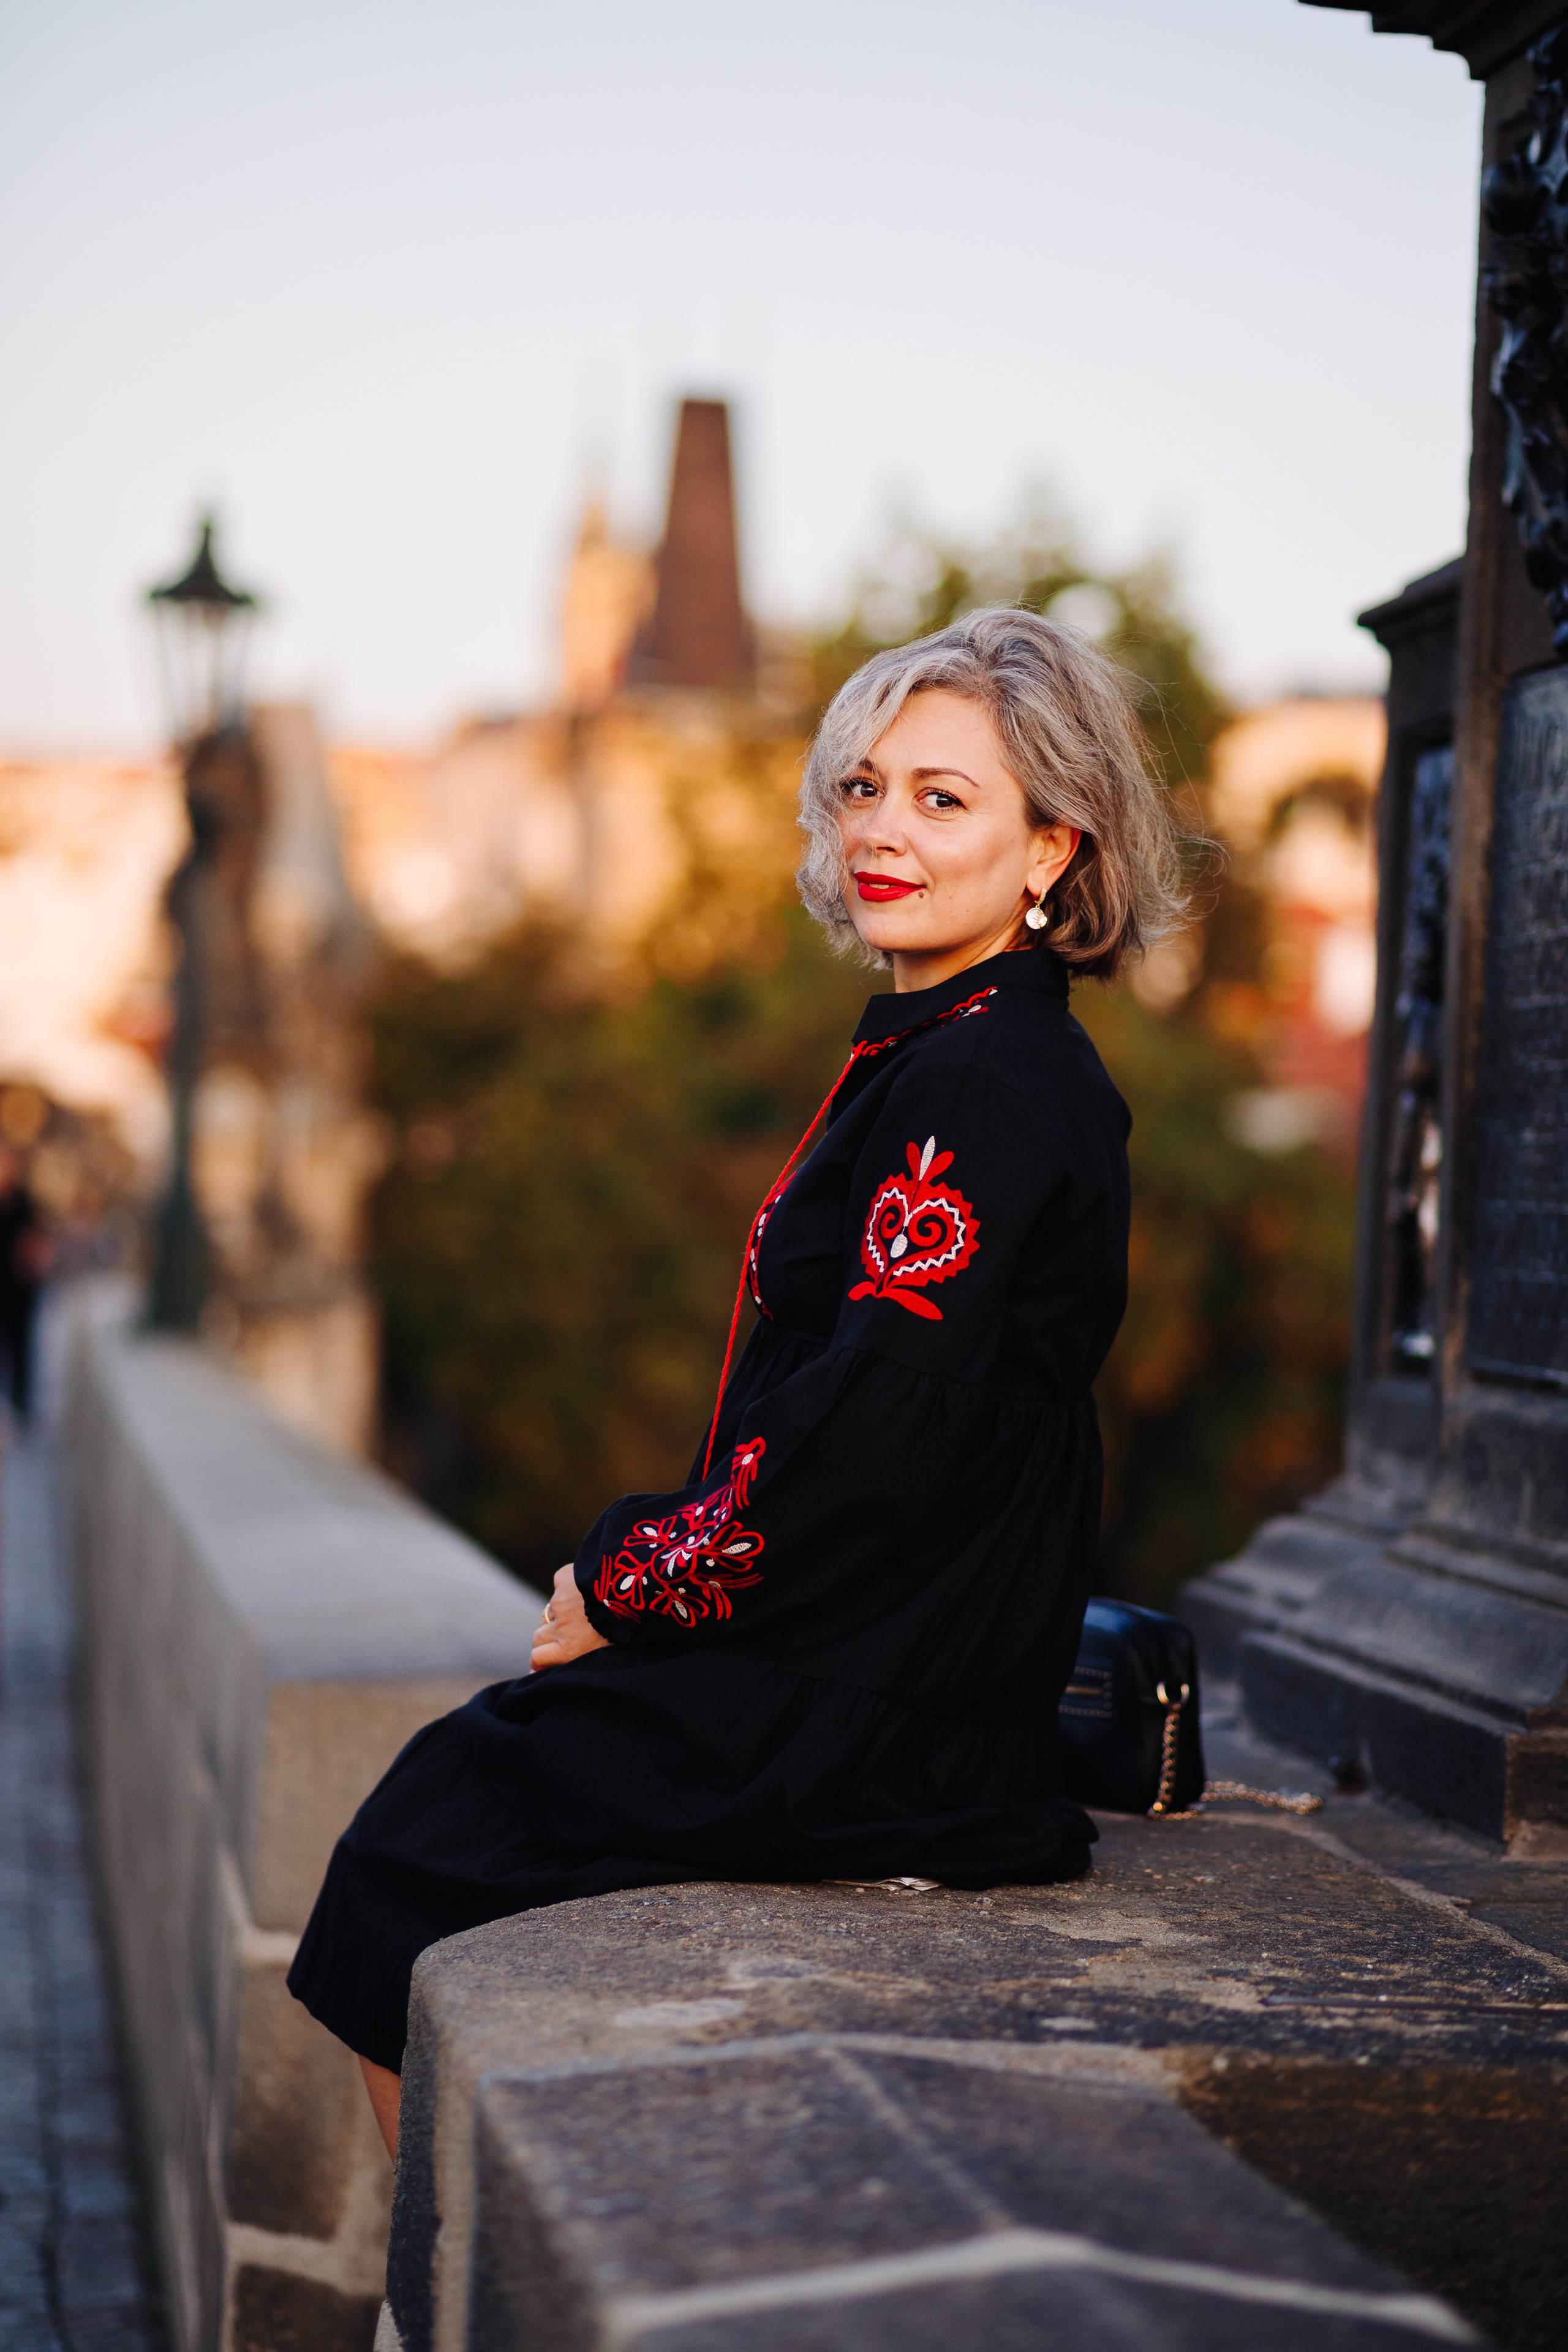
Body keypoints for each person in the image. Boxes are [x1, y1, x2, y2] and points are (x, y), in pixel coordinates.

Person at [288, 608, 1185, 2161]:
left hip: (894, 1696)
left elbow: (880, 1415)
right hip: (890, 1639)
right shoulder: (949, 1045)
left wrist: (636, 1580)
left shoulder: (980, 1073)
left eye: (941, 798)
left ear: (1052, 848)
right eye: (861, 787)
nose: (880, 831)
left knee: (425, 1835)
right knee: (452, 1809)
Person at [0, 1142, 50, 1427]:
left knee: (20, 1352)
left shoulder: (25, 1204)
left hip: (19, 1294)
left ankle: (21, 1411)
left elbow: (39, 1246)